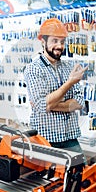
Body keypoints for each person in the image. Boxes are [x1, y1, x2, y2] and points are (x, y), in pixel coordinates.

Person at [24, 18, 88, 158]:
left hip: (70, 136)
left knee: (79, 174)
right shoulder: (33, 69)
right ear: (43, 41)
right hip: (45, 138)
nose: (59, 46)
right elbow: (42, 105)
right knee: (50, 179)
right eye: (54, 41)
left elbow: (79, 103)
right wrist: (69, 84)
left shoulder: (69, 68)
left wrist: (51, 104)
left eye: (62, 41)